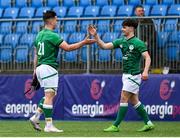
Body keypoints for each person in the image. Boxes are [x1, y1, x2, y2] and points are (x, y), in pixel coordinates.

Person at [29, 10, 96, 133]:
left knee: (50, 94)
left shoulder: (39, 35)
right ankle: (49, 125)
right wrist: (84, 42)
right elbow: (68, 48)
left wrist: (34, 69)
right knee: (50, 95)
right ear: (51, 20)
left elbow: (35, 53)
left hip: (40, 67)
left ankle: (36, 116)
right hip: (49, 67)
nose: (57, 21)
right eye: (56, 19)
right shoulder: (52, 35)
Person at [88, 19, 155, 132]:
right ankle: (148, 123)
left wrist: (145, 71)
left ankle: (116, 125)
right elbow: (104, 46)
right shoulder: (121, 41)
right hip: (126, 75)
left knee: (123, 97)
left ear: (131, 28)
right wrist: (96, 36)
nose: (122, 29)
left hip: (134, 75)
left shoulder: (138, 43)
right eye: (122, 27)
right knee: (134, 101)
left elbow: (147, 57)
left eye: (124, 27)